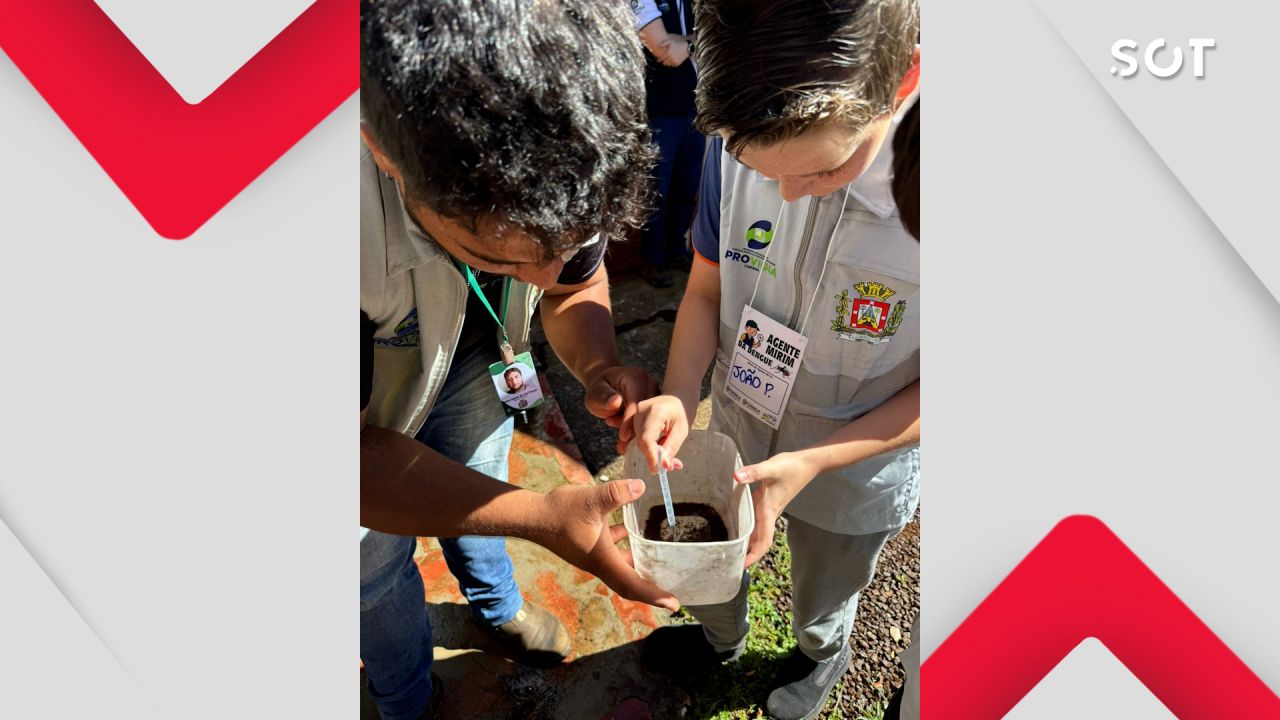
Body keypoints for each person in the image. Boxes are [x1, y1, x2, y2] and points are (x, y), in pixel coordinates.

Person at [359, 2, 674, 719]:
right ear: (382, 150)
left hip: (471, 354)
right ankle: (404, 697)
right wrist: (540, 518)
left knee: (478, 473)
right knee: (372, 574)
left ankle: (496, 608)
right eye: (500, 257)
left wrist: (595, 364)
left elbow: (574, 284)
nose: (545, 280)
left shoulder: (574, 152)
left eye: (571, 245)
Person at [631, 1, 921, 718]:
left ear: (905, 81)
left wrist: (814, 462)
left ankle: (820, 656)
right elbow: (704, 290)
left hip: (857, 459)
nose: (788, 193)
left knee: (828, 587)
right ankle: (718, 640)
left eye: (825, 169)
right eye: (761, 170)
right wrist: (677, 391)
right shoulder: (732, 138)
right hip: (740, 425)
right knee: (715, 556)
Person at [630, 0, 702, 288]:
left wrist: (687, 43)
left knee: (688, 187)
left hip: (695, 109)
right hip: (659, 111)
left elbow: (718, 36)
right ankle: (653, 259)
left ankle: (676, 251)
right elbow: (667, 52)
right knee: (656, 192)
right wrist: (695, 43)